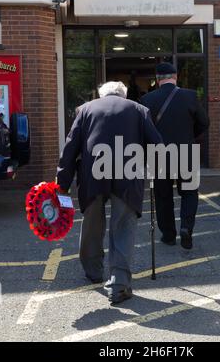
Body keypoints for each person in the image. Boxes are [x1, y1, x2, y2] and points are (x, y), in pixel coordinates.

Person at [56, 81, 162, 305]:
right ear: (123, 95)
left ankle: (93, 271)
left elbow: (70, 147)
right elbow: (157, 144)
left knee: (92, 223)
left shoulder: (85, 110)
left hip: (92, 174)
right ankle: (118, 285)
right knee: (123, 226)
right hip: (128, 174)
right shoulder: (139, 110)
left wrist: (62, 183)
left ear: (101, 94)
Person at [141, 62, 209, 250]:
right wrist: (189, 136)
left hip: (159, 154)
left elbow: (143, 130)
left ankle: (168, 234)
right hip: (187, 152)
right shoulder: (190, 96)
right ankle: (186, 227)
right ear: (176, 76)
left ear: (157, 79)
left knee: (163, 196)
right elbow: (204, 122)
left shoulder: (147, 100)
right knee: (189, 193)